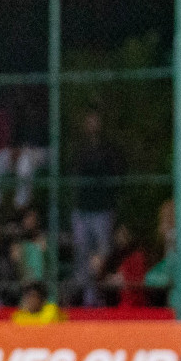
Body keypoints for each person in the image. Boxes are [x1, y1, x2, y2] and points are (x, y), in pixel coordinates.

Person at [70, 110, 124, 307]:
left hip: (102, 208)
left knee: (103, 253)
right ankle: (88, 298)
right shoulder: (79, 147)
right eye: (89, 120)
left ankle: (100, 297)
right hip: (83, 208)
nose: (92, 124)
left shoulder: (109, 148)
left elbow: (116, 173)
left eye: (96, 120)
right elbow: (75, 172)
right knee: (83, 253)